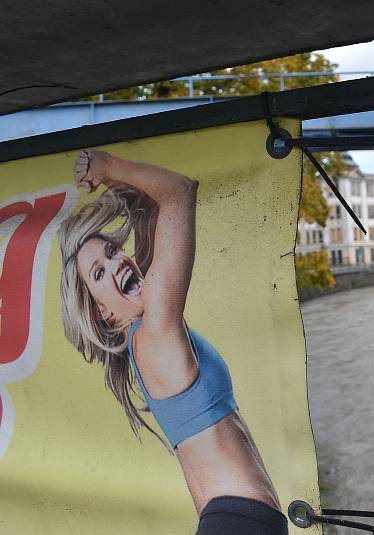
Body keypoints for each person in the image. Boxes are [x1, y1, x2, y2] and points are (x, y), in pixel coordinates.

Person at [58, 150, 288, 535]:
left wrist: (112, 181)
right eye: (99, 273)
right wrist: (109, 167)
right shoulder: (157, 331)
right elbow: (179, 192)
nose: (116, 264)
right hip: (239, 524)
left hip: (231, 522)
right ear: (101, 312)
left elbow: (154, 214)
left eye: (113, 251)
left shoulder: (145, 339)